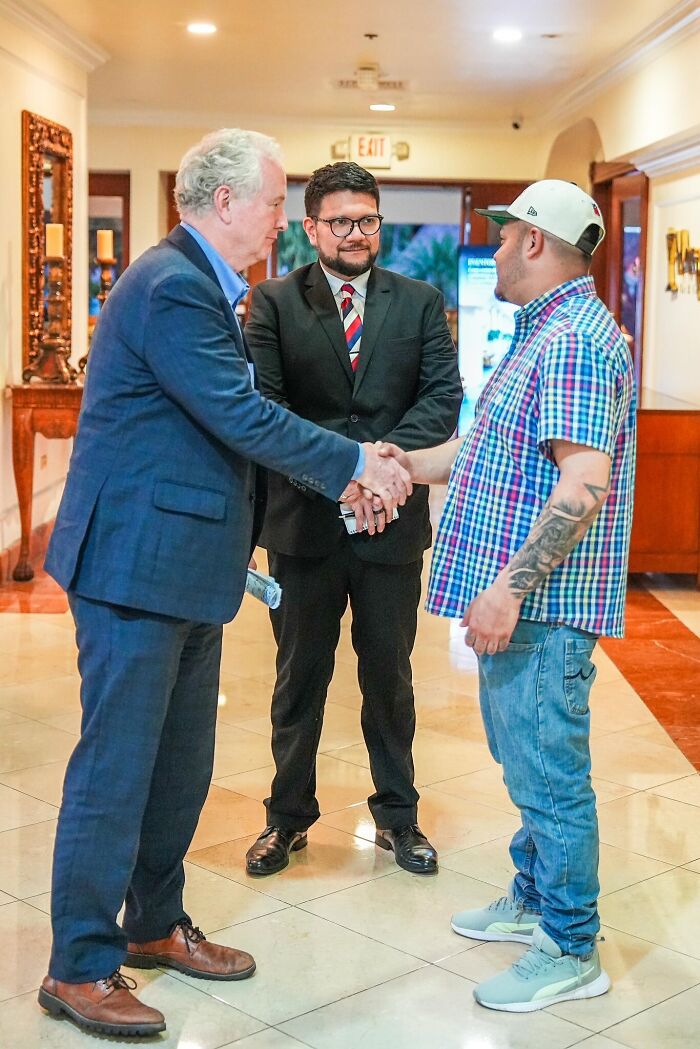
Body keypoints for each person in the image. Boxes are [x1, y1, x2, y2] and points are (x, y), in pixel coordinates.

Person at [39, 130, 411, 1040]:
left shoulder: (204, 282)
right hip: (134, 564)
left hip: (187, 564)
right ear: (223, 202)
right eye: (279, 202)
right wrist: (358, 459)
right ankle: (79, 966)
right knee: (117, 768)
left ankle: (155, 925)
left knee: (178, 767)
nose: (286, 219)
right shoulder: (172, 286)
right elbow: (241, 414)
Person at [380, 179, 636, 1011]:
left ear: (534, 241)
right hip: (525, 605)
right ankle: (534, 898)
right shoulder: (544, 332)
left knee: (551, 776)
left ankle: (569, 943)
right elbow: (485, 451)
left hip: (543, 609)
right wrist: (399, 462)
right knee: (528, 763)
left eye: (503, 234)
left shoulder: (573, 342)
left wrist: (508, 590)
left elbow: (582, 485)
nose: (492, 247)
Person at [243, 162, 462, 877]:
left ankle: (399, 816)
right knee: (298, 677)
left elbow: (440, 397)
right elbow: (268, 411)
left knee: (390, 680)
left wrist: (387, 467)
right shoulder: (272, 303)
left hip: (392, 523)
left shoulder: (420, 301)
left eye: (367, 219)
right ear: (311, 228)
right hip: (304, 522)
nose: (356, 233)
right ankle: (287, 818)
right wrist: (345, 476)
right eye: (340, 221)